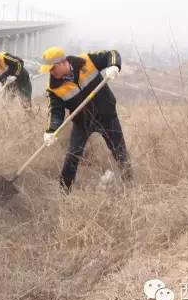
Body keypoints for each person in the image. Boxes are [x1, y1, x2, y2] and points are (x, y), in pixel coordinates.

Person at [40, 46, 132, 192]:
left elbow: (112, 54)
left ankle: (130, 184)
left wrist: (114, 66)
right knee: (72, 157)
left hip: (107, 116)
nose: (51, 72)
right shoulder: (54, 88)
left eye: (52, 68)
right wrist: (52, 130)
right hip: (82, 123)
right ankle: (64, 193)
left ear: (63, 62)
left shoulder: (87, 61)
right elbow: (56, 112)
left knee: (119, 151)